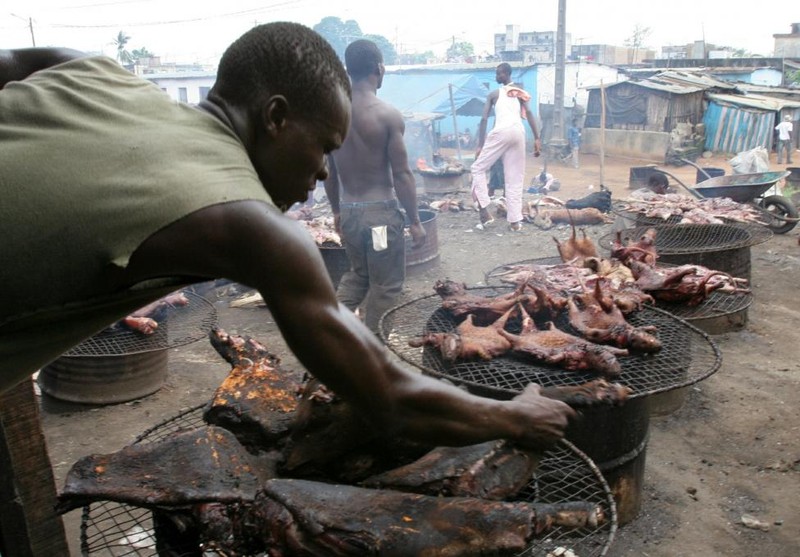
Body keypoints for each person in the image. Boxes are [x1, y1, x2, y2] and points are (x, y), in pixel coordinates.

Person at [0, 24, 573, 450]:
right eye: (324, 145)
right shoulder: (246, 222)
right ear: (275, 117)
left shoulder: (95, 72)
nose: (326, 171)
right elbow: (390, 400)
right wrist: (514, 417)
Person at [324, 39, 426, 334]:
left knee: (357, 277)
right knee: (386, 288)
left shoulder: (334, 116)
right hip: (380, 218)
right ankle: (372, 354)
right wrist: (416, 221)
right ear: (379, 69)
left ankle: (331, 335)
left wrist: (336, 211)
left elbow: (329, 171)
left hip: (351, 212)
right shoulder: (386, 115)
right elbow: (402, 174)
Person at [470, 62, 541, 232]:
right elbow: (529, 113)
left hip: (501, 131)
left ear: (505, 74)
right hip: (518, 132)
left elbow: (484, 119)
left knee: (477, 168)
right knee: (515, 178)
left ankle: (485, 210)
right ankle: (515, 222)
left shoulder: (493, 94)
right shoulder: (519, 93)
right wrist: (537, 138)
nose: (496, 77)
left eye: (498, 74)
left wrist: (480, 144)